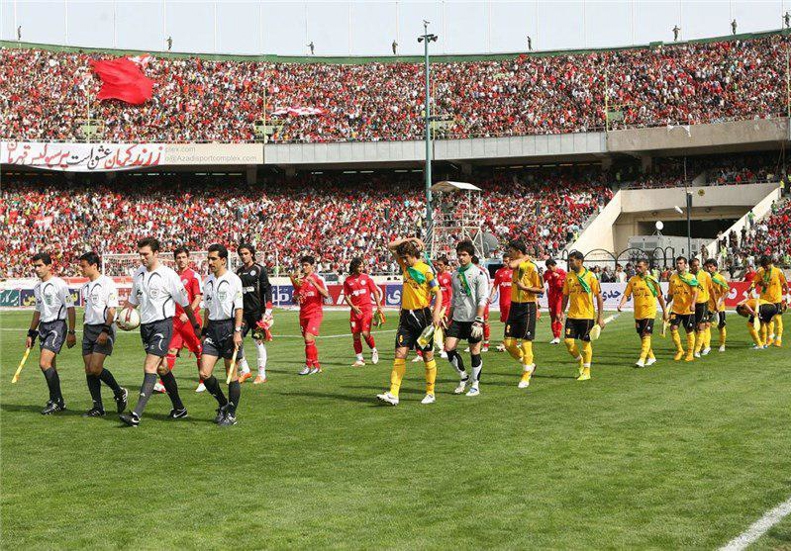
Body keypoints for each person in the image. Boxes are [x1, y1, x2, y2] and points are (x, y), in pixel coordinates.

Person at [119, 238, 201, 427]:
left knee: (150, 366)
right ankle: (179, 409)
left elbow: (185, 302)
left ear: (156, 253)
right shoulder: (138, 274)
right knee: (163, 368)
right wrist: (123, 317)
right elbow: (133, 301)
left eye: (145, 254)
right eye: (140, 254)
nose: (142, 258)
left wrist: (195, 323)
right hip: (145, 327)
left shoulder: (168, 275)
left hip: (162, 326)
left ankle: (136, 414)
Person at [376, 237, 443, 406]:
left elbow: (438, 293)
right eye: (403, 258)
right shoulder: (406, 266)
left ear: (414, 254)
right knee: (400, 353)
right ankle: (393, 393)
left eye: (406, 257)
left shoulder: (426, 270)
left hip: (423, 317)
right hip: (406, 317)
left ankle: (430, 392)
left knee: (427, 354)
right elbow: (390, 245)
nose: (403, 261)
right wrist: (412, 238)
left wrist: (436, 314)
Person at [198, 244, 245, 426]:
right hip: (212, 330)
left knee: (231, 373)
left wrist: (237, 332)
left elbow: (239, 308)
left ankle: (231, 414)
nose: (209, 262)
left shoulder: (233, 279)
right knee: (204, 372)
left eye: (213, 259)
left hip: (228, 328)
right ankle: (223, 404)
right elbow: (208, 310)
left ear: (223, 260)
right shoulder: (208, 280)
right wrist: (203, 331)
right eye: (208, 258)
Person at [26, 252, 77, 415]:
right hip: (43, 328)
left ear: (49, 266)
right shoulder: (37, 287)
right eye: (35, 266)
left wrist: (71, 332)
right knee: (50, 366)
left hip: (57, 326)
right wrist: (31, 332)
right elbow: (38, 311)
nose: (37, 269)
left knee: (44, 363)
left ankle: (55, 400)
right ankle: (58, 400)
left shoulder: (59, 284)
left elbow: (70, 308)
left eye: (40, 265)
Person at [78, 252, 128, 417]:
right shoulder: (85, 287)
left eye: (84, 266)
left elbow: (112, 309)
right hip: (88, 329)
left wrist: (105, 330)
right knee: (88, 369)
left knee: (95, 367)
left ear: (94, 266)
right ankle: (98, 407)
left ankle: (119, 391)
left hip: (103, 329)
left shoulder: (107, 283)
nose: (81, 269)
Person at [444, 240, 490, 397]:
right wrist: (448, 318)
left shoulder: (479, 274)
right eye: (459, 255)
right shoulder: (455, 274)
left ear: (471, 256)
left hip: (473, 320)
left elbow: (483, 298)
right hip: (458, 319)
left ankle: (475, 384)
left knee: (474, 351)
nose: (461, 258)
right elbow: (454, 298)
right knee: (448, 348)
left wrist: (478, 319)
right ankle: (463, 376)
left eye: (464, 255)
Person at [158, 247, 203, 393]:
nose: (181, 260)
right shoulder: (173, 276)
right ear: (175, 259)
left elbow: (198, 297)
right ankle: (163, 383)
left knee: (198, 350)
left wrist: (188, 314)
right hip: (175, 321)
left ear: (188, 258)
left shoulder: (194, 276)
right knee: (170, 350)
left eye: (184, 257)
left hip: (190, 320)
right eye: (178, 258)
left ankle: (203, 381)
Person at [502, 240, 543, 388]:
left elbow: (541, 290)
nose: (509, 255)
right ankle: (529, 364)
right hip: (514, 306)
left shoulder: (532, 267)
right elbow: (511, 265)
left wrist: (524, 288)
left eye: (511, 251)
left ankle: (526, 375)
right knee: (508, 344)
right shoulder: (517, 264)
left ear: (519, 252)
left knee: (526, 342)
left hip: (527, 307)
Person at [561, 250, 605, 381]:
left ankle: (587, 371)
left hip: (587, 316)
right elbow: (565, 295)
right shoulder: (568, 276)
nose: (570, 263)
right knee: (568, 342)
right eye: (569, 260)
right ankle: (580, 361)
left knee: (586, 343)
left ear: (580, 261)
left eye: (572, 260)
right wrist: (561, 311)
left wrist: (600, 317)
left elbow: (599, 297)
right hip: (572, 315)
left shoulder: (591, 276)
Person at [617, 259, 667, 367]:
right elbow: (626, 294)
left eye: (640, 266)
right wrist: (621, 304)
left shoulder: (652, 281)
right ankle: (652, 357)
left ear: (646, 267)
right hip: (638, 312)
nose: (637, 268)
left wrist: (664, 311)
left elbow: (660, 297)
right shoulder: (632, 280)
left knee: (646, 334)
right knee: (642, 336)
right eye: (637, 266)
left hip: (649, 311)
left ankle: (642, 359)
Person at [236, 243, 273, 384]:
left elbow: (267, 289)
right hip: (243, 314)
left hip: (258, 313)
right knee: (237, 341)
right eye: (241, 254)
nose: (243, 256)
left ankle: (262, 374)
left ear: (251, 254)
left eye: (246, 253)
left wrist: (268, 309)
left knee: (258, 342)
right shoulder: (238, 272)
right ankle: (245, 371)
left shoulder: (259, 269)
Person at [291, 256, 329, 375]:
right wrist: (296, 297)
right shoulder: (300, 280)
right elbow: (294, 299)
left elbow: (326, 294)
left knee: (308, 338)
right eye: (303, 265)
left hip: (315, 313)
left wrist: (315, 284)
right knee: (309, 341)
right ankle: (317, 366)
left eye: (307, 265)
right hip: (303, 314)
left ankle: (307, 366)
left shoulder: (318, 278)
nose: (304, 267)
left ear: (313, 266)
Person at [343, 257, 383, 367]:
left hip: (366, 309)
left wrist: (379, 306)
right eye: (359, 266)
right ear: (354, 267)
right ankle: (360, 359)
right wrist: (353, 307)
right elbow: (346, 296)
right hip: (355, 311)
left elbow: (375, 292)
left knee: (365, 333)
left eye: (362, 266)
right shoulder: (348, 280)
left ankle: (374, 349)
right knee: (355, 335)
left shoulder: (367, 278)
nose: (361, 268)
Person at [664, 256, 699, 362]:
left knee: (689, 330)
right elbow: (670, 293)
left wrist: (693, 303)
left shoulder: (691, 277)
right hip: (676, 309)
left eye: (681, 263)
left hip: (688, 309)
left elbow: (695, 292)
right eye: (677, 263)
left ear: (685, 265)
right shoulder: (673, 277)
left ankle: (690, 353)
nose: (679, 265)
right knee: (673, 328)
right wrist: (667, 306)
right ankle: (680, 350)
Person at [750, 255, 788, 347]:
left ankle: (778, 339)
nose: (765, 268)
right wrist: (755, 286)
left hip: (776, 299)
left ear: (771, 263)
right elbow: (755, 282)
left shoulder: (778, 271)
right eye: (763, 266)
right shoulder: (760, 271)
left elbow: (785, 284)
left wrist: (787, 297)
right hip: (765, 300)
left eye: (766, 266)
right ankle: (770, 338)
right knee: (767, 320)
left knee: (778, 319)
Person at [690, 258, 715, 357]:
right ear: (691, 266)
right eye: (694, 265)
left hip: (703, 303)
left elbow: (711, 289)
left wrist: (716, 303)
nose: (697, 267)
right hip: (692, 304)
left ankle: (697, 350)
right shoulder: (689, 276)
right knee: (695, 327)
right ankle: (705, 346)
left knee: (702, 326)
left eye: (698, 265)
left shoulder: (705, 275)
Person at [704, 259, 730, 352]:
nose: (709, 268)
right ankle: (707, 346)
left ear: (715, 267)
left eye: (711, 266)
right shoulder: (704, 277)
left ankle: (722, 344)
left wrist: (719, 302)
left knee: (721, 326)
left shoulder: (721, 278)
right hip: (707, 306)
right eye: (707, 267)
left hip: (719, 307)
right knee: (706, 325)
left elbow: (727, 292)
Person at [489, 254, 513, 352]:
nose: (504, 263)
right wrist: (491, 296)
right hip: (502, 302)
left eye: (506, 261)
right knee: (506, 322)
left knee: (509, 322)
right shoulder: (499, 272)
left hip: (512, 302)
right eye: (503, 261)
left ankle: (506, 342)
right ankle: (511, 340)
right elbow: (495, 286)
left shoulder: (515, 271)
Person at [543, 258, 566, 344]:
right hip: (551, 297)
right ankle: (555, 337)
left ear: (554, 265)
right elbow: (541, 281)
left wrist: (559, 277)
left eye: (550, 267)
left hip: (559, 297)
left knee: (557, 315)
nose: (549, 269)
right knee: (552, 318)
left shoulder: (562, 272)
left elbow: (566, 283)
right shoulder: (547, 273)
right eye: (548, 268)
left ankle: (558, 337)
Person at [471, 256, 492, 352]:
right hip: (472, 301)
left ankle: (486, 343)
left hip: (482, 300)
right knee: (472, 321)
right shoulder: (468, 271)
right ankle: (473, 342)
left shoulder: (483, 271)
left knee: (485, 321)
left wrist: (484, 297)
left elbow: (488, 284)